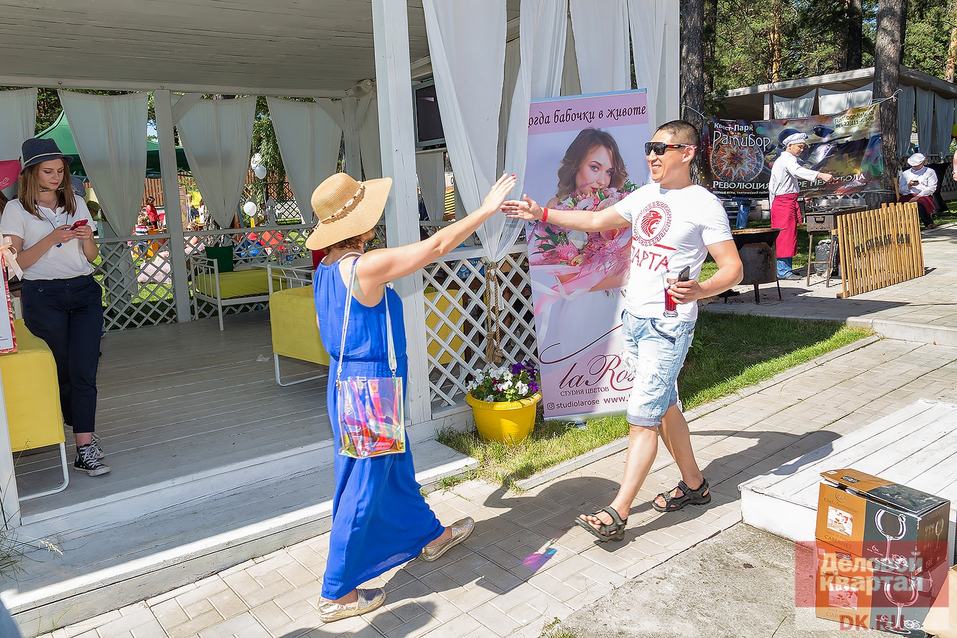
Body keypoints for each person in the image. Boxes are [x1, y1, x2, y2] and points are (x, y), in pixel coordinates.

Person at [503, 120, 743, 541]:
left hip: (668, 325)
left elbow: (733, 269)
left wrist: (700, 289)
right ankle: (694, 485)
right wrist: (540, 213)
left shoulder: (703, 205)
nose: (651, 155)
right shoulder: (644, 195)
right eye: (648, 148)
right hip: (634, 319)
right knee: (666, 405)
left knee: (642, 419)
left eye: (661, 148)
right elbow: (595, 221)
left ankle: (618, 511)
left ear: (685, 153)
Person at [305, 170, 517, 622]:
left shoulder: (325, 268)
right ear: (360, 225)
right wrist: (485, 209)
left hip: (354, 383)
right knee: (362, 484)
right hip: (368, 388)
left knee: (394, 468)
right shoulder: (363, 265)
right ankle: (336, 591)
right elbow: (436, 248)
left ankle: (428, 535)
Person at [0, 138, 109, 476]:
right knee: (61, 371)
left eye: (60, 171)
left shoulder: (76, 201)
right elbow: (15, 265)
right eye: (48, 171)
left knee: (84, 370)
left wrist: (85, 237)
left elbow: (91, 256)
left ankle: (84, 445)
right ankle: (74, 424)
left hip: (84, 292)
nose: (56, 177)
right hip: (43, 297)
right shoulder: (16, 210)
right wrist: (51, 239)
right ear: (31, 173)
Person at [768, 132, 834, 280]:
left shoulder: (788, 159)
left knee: (790, 235)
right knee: (784, 236)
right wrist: (820, 175)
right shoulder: (786, 160)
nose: (802, 149)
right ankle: (783, 271)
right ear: (790, 146)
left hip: (788, 201)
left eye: (803, 147)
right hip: (783, 203)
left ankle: (786, 268)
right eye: (800, 146)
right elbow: (797, 172)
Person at [899, 152, 938, 229]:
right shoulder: (905, 174)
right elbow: (901, 190)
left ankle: (928, 223)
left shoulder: (929, 171)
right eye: (914, 165)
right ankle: (906, 226)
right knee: (901, 203)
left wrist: (918, 196)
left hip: (923, 195)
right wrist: (909, 186)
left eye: (917, 165)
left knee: (919, 204)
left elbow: (932, 188)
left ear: (922, 162)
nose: (915, 167)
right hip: (908, 195)